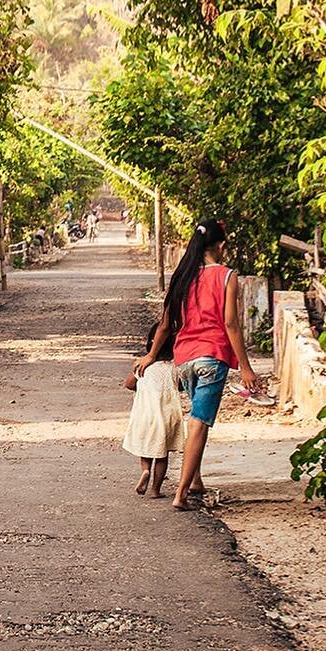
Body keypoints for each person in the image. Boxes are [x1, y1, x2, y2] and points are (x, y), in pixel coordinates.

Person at [135, 218, 267, 510]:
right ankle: (181, 494)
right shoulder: (226, 276)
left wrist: (152, 355)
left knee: (195, 417)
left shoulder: (182, 275)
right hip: (212, 358)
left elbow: (166, 325)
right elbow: (231, 323)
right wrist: (245, 368)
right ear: (220, 246)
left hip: (184, 359)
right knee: (200, 423)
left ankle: (195, 481)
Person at [121, 320, 185, 498]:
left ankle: (145, 471)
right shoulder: (174, 369)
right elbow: (180, 387)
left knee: (146, 449)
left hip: (146, 415)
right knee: (162, 455)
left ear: (150, 343)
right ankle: (156, 490)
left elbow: (129, 384)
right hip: (168, 416)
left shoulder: (143, 366)